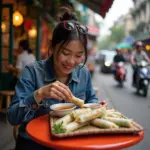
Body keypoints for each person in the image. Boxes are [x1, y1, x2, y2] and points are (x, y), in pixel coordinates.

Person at [7, 12, 106, 150]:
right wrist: (38, 95)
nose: (71, 61)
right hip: (34, 144)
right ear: (52, 48)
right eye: (65, 53)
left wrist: (96, 107)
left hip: (71, 143)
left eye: (78, 55)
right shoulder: (33, 72)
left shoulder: (83, 73)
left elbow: (91, 99)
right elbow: (12, 117)